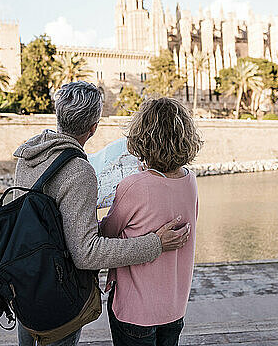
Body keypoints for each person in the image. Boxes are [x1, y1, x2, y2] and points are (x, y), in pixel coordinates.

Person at [13, 82, 191, 346]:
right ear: (94, 126)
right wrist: (156, 243)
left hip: (24, 280)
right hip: (59, 290)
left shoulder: (28, 155)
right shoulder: (79, 170)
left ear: (59, 115)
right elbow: (86, 253)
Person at [100, 97, 202, 346]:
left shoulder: (134, 185)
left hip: (136, 310)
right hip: (174, 307)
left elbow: (106, 233)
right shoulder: (190, 180)